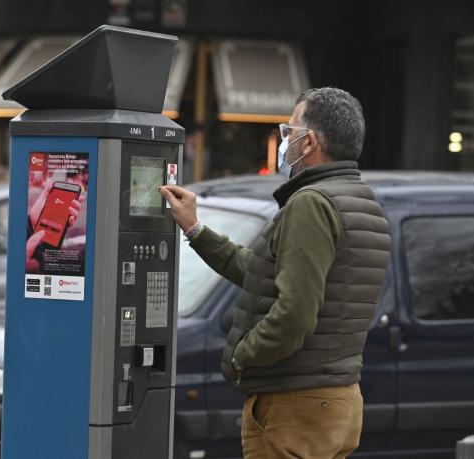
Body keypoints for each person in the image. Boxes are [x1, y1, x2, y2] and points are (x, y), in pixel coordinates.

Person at [160, 87, 391, 459]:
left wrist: (242, 354)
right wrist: (196, 230)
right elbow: (264, 274)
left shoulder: (312, 203)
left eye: (289, 131)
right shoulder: (361, 201)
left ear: (310, 141)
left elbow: (295, 313)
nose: (285, 141)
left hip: (294, 401)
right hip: (338, 399)